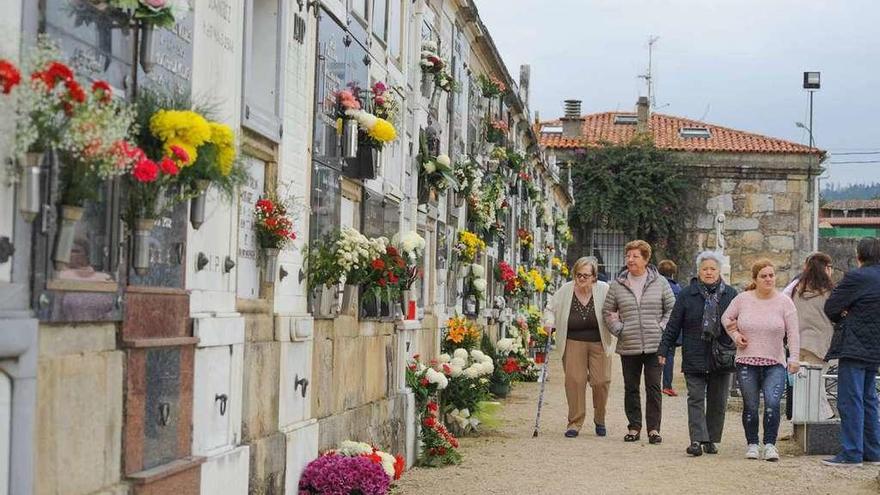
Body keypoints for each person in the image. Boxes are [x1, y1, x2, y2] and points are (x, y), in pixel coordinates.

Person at [659, 251, 738, 456]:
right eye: (705, 269)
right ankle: (696, 440)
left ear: (719, 271)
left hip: (722, 354)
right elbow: (674, 323)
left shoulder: (731, 294)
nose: (709, 272)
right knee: (695, 397)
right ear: (698, 272)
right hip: (694, 352)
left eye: (712, 269)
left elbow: (741, 323)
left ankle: (711, 439)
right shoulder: (687, 294)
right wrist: (664, 349)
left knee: (717, 399)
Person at [722, 259, 799, 462]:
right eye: (763, 276)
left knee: (773, 403)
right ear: (755, 279)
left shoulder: (785, 302)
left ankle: (770, 444)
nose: (768, 279)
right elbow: (727, 318)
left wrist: (794, 358)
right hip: (747, 361)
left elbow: (793, 333)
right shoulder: (743, 299)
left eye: (771, 275)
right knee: (751, 404)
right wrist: (736, 337)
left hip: (775, 362)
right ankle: (752, 443)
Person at [603, 240, 676, 445]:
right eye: (628, 256)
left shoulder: (660, 282)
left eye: (635, 256)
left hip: (654, 345)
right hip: (629, 345)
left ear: (646, 259)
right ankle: (634, 427)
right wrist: (620, 329)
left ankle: (654, 429)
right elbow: (608, 312)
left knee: (653, 387)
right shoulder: (617, 285)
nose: (630, 260)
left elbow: (672, 309)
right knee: (631, 387)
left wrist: (661, 327)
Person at [821, 237, 880, 467]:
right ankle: (873, 451)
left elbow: (831, 307)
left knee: (850, 400)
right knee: (870, 399)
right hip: (875, 347)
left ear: (859, 256)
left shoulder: (857, 277)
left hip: (854, 345)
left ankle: (851, 452)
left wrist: (844, 314)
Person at [544, 256, 617, 438]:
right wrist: (549, 322)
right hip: (573, 341)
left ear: (594, 277)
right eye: (578, 275)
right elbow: (550, 308)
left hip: (599, 342)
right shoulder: (566, 290)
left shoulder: (604, 290)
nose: (581, 279)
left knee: (601, 382)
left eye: (586, 275)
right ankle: (574, 423)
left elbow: (616, 308)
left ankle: (599, 418)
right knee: (575, 381)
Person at [792, 252, 836, 420]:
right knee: (817, 386)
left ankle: (804, 419)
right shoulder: (829, 292)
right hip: (819, 343)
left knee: (804, 385)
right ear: (826, 268)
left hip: (799, 342)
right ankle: (826, 417)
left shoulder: (797, 290)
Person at [658, 259, 683, 397]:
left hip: (656, 326)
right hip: (672, 328)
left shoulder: (656, 287)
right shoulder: (679, 290)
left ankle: (654, 383)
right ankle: (667, 385)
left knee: (654, 355)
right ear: (673, 273)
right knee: (669, 356)